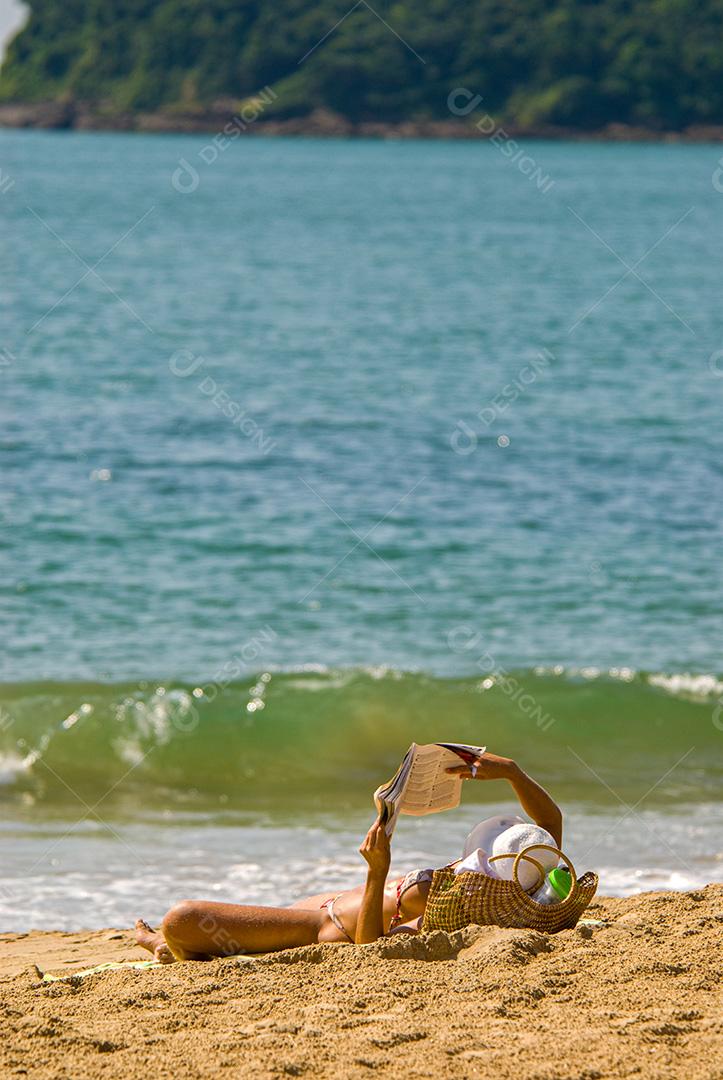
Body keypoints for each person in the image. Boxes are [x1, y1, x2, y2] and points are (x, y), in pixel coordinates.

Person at [135, 751, 562, 962]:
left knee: (183, 918)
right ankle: (176, 949)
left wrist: (379, 873)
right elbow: (548, 824)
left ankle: (167, 944)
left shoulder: (462, 913)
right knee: (224, 928)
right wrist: (511, 771)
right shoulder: (524, 876)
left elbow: (369, 951)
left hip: (326, 926)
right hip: (331, 902)